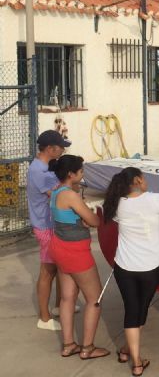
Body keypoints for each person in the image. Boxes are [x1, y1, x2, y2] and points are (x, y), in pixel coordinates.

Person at [103, 167, 159, 376]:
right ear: (138, 180)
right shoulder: (157, 199)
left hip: (124, 266)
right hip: (151, 265)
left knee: (133, 309)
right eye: (144, 177)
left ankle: (127, 350)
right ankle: (137, 362)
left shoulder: (116, 204)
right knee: (141, 309)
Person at [48, 155, 110, 359]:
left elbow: (70, 218)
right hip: (76, 252)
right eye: (81, 171)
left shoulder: (56, 192)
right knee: (94, 299)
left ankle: (68, 344)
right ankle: (88, 347)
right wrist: (90, 216)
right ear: (71, 174)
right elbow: (93, 220)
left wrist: (80, 219)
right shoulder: (71, 196)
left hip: (60, 248)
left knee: (67, 297)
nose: (83, 174)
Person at [27, 130, 70, 331]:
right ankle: (44, 318)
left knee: (60, 266)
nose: (63, 150)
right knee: (48, 270)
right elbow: (58, 195)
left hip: (51, 224)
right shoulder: (39, 171)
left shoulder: (45, 167)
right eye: (61, 147)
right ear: (51, 149)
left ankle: (59, 307)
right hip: (45, 227)